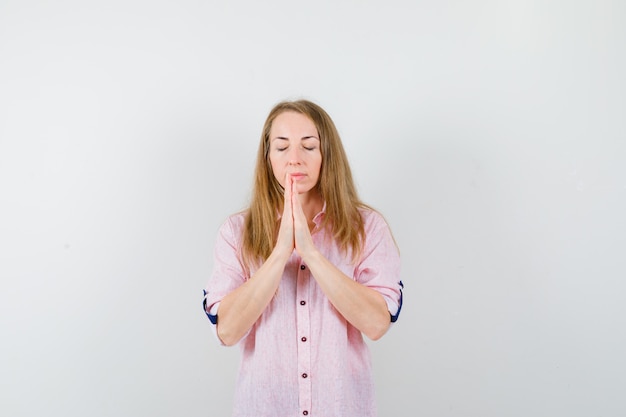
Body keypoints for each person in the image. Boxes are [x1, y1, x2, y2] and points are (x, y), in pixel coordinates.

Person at [202, 99, 403, 417]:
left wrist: (311, 252)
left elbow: (378, 323)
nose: (294, 160)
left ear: (327, 155)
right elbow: (226, 330)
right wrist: (281, 252)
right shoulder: (235, 232)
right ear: (268, 158)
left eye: (309, 146)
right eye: (282, 148)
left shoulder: (367, 228)